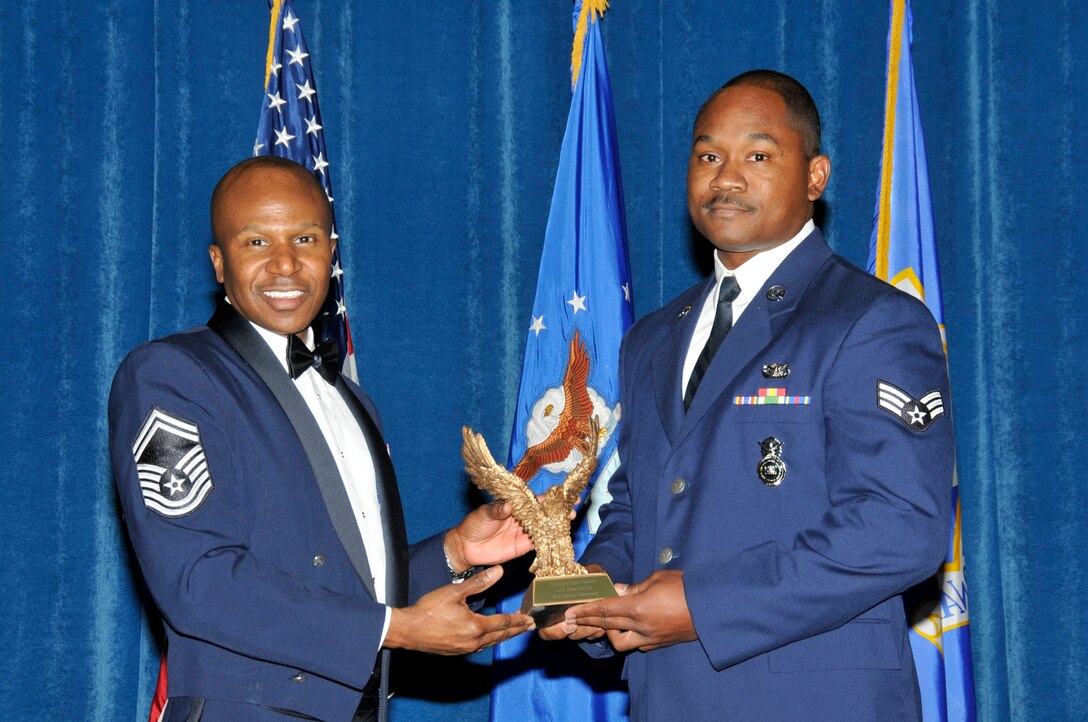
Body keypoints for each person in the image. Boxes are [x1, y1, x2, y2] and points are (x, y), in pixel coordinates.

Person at [540, 70, 954, 720]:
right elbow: (636, 506)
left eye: (757, 156)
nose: (725, 178)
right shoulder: (651, 339)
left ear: (815, 177)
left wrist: (702, 606)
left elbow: (901, 527)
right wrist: (593, 593)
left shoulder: (869, 320)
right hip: (668, 698)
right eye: (708, 155)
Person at [109, 156, 535, 722]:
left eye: (305, 238)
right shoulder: (170, 376)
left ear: (331, 253)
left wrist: (454, 552)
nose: (285, 264)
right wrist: (397, 629)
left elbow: (342, 579)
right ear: (218, 262)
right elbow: (199, 580)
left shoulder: (352, 400)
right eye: (257, 242)